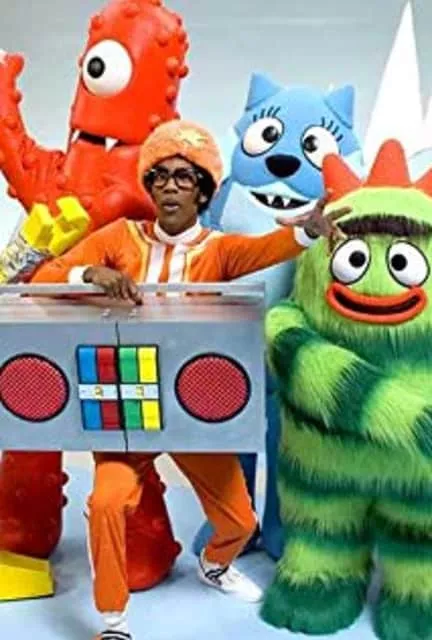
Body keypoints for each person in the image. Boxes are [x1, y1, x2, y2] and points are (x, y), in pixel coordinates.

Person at [33, 120, 349, 640]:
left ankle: (215, 565)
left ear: (203, 191)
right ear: (150, 186)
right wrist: (88, 274)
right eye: (160, 177)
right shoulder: (119, 237)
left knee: (240, 522)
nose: (170, 187)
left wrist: (310, 228)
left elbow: (273, 247)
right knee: (106, 502)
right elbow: (44, 278)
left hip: (189, 410)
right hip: (128, 407)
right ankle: (113, 622)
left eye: (184, 177)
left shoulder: (219, 250)